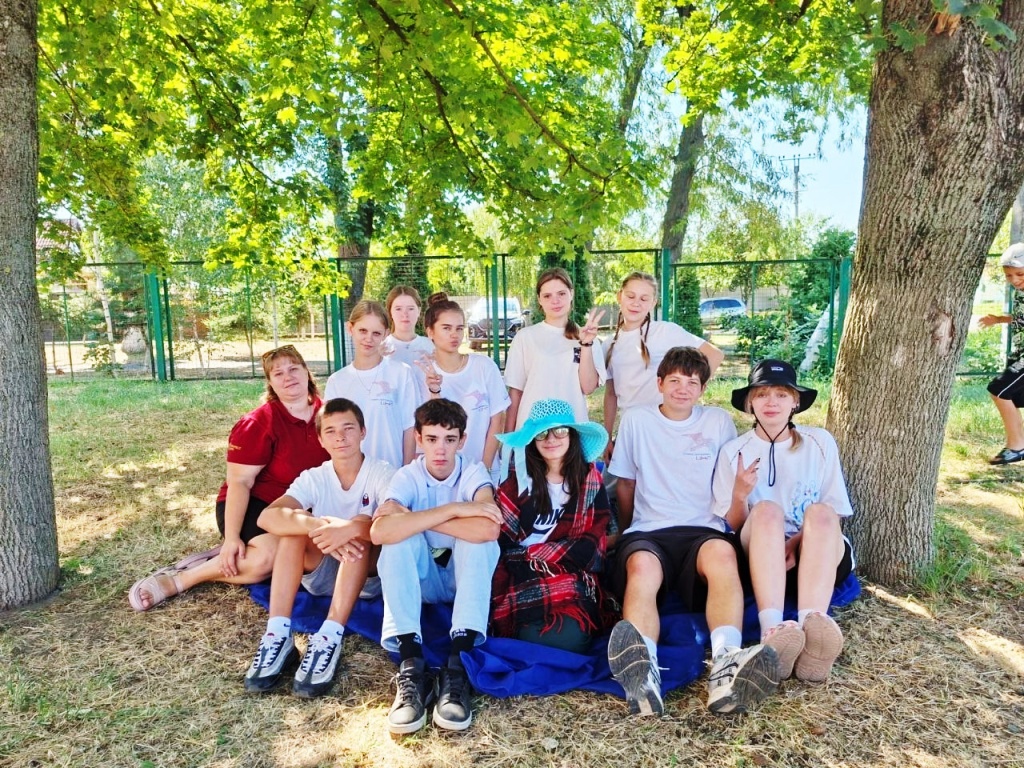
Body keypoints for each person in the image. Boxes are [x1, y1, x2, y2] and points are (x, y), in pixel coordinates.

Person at [606, 346, 779, 716]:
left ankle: (726, 665)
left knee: (723, 554)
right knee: (642, 567)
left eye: (692, 382)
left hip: (703, 529)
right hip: (649, 529)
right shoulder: (636, 420)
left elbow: (728, 483)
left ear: (703, 389)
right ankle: (643, 671)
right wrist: (626, 531)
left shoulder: (717, 421)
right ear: (659, 384)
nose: (682, 389)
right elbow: (625, 484)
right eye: (674, 381)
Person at [129, 345, 329, 611]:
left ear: (307, 372)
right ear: (270, 382)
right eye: (278, 373)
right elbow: (240, 483)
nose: (288, 377)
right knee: (266, 559)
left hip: (301, 506)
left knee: (307, 555)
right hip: (255, 504)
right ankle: (180, 579)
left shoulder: (329, 415)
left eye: (293, 368)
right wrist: (232, 538)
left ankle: (218, 557)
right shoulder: (258, 423)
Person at [712, 359, 853, 683]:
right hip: (761, 558)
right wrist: (739, 494)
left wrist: (795, 542)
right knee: (766, 510)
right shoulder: (734, 451)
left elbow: (835, 511)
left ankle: (813, 632)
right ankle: (773, 634)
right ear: (750, 403)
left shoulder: (819, 442)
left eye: (781, 394)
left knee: (819, 512)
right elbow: (734, 525)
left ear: (795, 401)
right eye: (762, 394)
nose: (771, 402)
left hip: (817, 554)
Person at [244, 398, 394, 697]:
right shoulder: (314, 477)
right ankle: (278, 633)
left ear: (363, 432)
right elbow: (267, 517)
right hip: (322, 571)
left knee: (361, 524)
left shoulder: (382, 472)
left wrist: (350, 529)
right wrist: (320, 525)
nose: (341, 437)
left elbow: (393, 524)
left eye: (348, 428)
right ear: (321, 439)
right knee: (292, 529)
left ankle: (329, 635)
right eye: (331, 431)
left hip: (367, 577)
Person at [370, 399, 501, 735]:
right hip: (423, 580)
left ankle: (457, 666)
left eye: (449, 439)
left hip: (461, 579)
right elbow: (379, 531)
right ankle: (412, 664)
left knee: (479, 543)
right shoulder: (408, 475)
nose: (440, 449)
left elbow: (489, 529)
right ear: (418, 439)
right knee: (396, 542)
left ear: (462, 440)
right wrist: (455, 510)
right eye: (431, 439)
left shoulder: (473, 471)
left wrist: (418, 518)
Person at [490, 399, 613, 652]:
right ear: (532, 441)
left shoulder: (589, 480)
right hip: (521, 567)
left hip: (571, 566)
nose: (551, 439)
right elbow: (503, 539)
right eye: (542, 433)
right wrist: (532, 558)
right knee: (533, 632)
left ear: (572, 435)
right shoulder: (517, 481)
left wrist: (545, 555)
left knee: (571, 635)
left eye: (560, 430)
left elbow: (592, 539)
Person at [603, 271, 724, 445]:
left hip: (666, 426)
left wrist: (690, 390)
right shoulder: (609, 344)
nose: (636, 303)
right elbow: (611, 394)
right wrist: (607, 437)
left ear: (653, 303)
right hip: (631, 429)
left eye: (644, 299)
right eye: (630, 296)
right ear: (619, 296)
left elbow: (715, 355)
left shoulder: (665, 331)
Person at [415, 292, 510, 481]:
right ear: (430, 332)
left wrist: (484, 468)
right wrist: (434, 391)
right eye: (446, 328)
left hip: (484, 470)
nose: (454, 334)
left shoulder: (484, 366)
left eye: (459, 328)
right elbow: (428, 428)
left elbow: (498, 420)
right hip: (441, 476)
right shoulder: (420, 373)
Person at [503, 267, 606, 431]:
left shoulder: (588, 338)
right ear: (539, 299)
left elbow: (588, 388)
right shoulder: (525, 337)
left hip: (571, 430)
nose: (555, 301)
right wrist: (509, 439)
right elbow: (515, 393)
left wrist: (586, 345)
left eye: (561, 294)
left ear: (571, 294)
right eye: (547, 296)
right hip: (533, 431)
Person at [325, 300, 418, 468]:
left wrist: (406, 473)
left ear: (386, 334)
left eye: (376, 333)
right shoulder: (337, 381)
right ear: (350, 328)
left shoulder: (401, 373)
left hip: (393, 472)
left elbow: (410, 427)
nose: (368, 339)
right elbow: (332, 433)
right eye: (362, 331)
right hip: (352, 475)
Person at [980, 243, 1024, 465]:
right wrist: (998, 319)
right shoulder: (1021, 292)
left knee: (998, 389)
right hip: (1019, 352)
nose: (1014, 280)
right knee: (1013, 396)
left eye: (1020, 274)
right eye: (1009, 275)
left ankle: (1017, 447)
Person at [382, 285, 435, 367]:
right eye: (398, 309)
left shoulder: (430, 345)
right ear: (390, 312)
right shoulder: (382, 347)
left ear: (419, 311)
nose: (405, 314)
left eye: (410, 308)